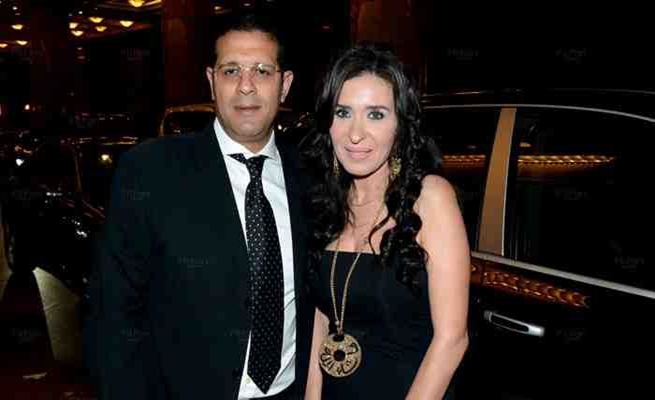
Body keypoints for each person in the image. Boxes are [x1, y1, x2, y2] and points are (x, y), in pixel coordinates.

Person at [84, 14, 313, 400]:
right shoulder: (151, 172)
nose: (245, 86)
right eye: (231, 71)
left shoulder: (310, 177)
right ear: (211, 81)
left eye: (261, 71)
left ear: (285, 84)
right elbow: (114, 315)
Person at [301, 43, 470, 399]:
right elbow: (324, 314)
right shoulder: (326, 202)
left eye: (375, 115)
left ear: (400, 126)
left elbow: (452, 339)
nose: (355, 133)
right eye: (343, 112)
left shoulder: (430, 198)